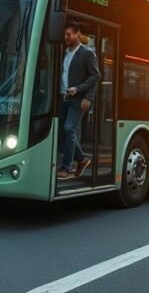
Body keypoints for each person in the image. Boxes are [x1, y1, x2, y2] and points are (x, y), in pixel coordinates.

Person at [58, 22, 100, 180]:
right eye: (65, 34)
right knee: (64, 130)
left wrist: (86, 96)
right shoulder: (63, 52)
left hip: (78, 99)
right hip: (63, 98)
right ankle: (82, 159)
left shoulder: (87, 53)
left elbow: (95, 76)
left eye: (69, 34)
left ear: (77, 34)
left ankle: (66, 167)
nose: (66, 37)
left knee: (69, 129)